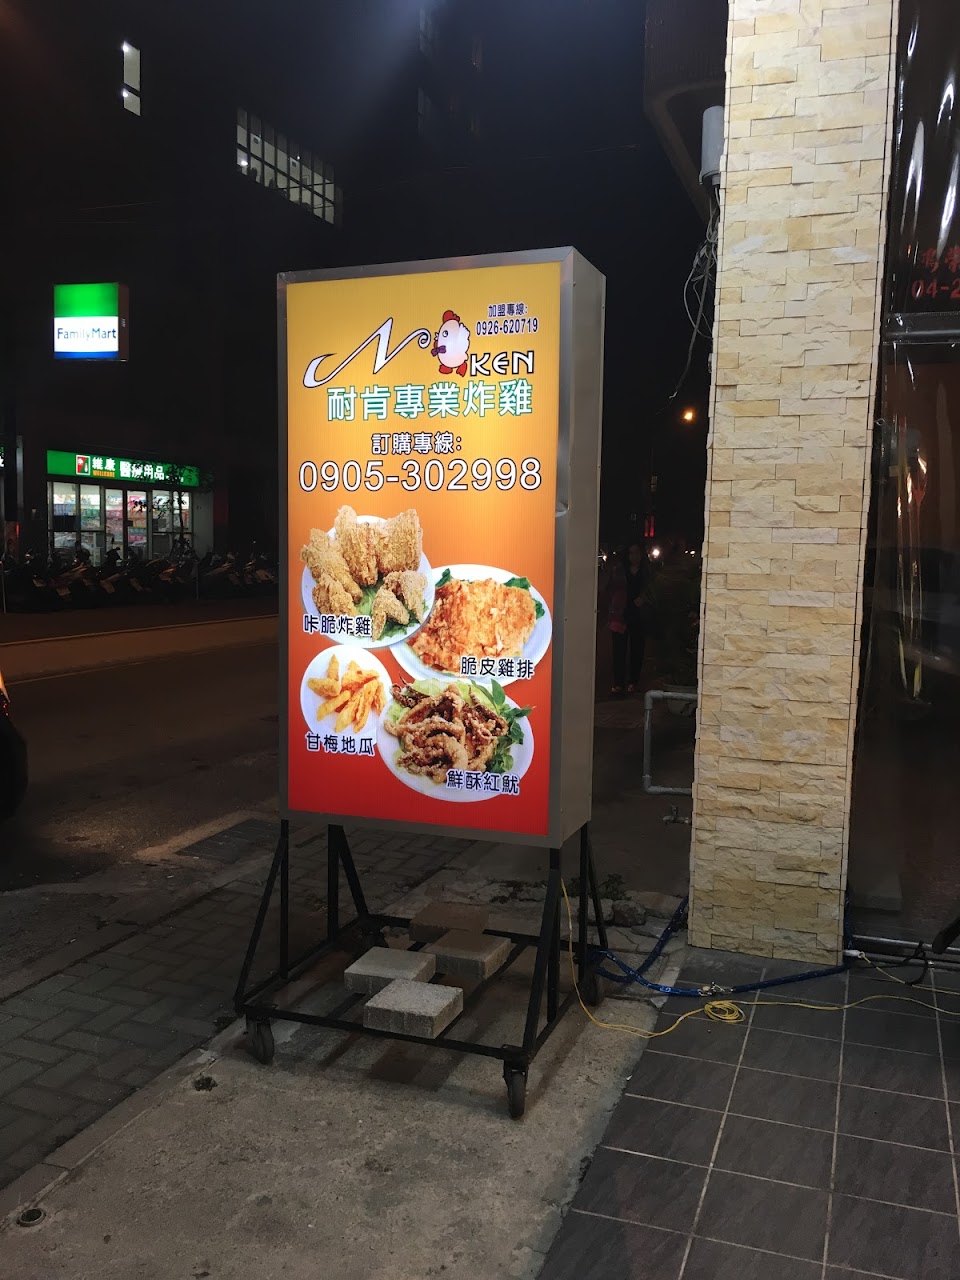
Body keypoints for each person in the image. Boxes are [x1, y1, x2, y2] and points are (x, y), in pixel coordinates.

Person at [610, 541, 651, 695]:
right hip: (620, 613)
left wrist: (644, 598)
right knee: (618, 650)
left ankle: (633, 682)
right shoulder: (620, 570)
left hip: (638, 615)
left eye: (637, 553)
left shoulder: (647, 571)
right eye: (631, 553)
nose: (634, 556)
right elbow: (611, 588)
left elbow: (652, 588)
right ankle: (618, 683)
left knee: (637, 650)